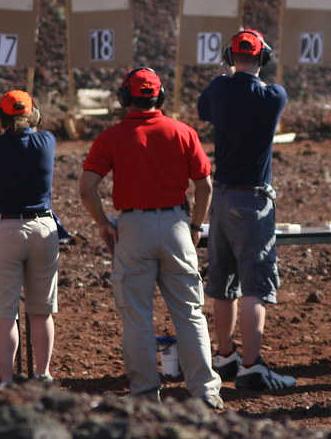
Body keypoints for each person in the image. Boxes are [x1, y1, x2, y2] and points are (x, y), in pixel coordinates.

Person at [79, 67, 223, 409]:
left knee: (136, 317)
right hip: (176, 226)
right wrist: (196, 225)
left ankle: (145, 394)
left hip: (131, 229)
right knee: (189, 313)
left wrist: (103, 224)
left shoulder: (111, 137)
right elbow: (204, 185)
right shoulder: (183, 131)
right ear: (159, 97)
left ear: (125, 98)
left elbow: (87, 188)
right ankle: (205, 391)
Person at [197, 28, 295, 392]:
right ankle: (252, 367)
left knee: (223, 282)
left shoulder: (220, 89)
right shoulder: (274, 96)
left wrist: (225, 75)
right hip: (253, 200)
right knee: (254, 284)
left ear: (229, 57)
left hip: (220, 198)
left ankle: (224, 357)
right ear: (262, 58)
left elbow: (204, 107)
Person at [0, 90, 57, 386]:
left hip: (6, 230)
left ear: (1, 117)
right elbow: (32, 130)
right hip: (43, 229)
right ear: (34, 116)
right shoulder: (46, 141)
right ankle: (43, 374)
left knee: (5, 315)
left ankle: (6, 380)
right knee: (41, 311)